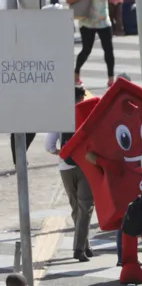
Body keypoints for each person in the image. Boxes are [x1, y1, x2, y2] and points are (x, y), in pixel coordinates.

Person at [46, 86, 95, 262]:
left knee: (77, 208)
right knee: (86, 206)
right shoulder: (88, 115)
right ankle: (79, 248)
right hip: (85, 166)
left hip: (65, 167)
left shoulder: (59, 116)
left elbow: (49, 146)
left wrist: (63, 153)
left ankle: (85, 245)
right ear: (82, 97)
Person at [67, 0, 121, 87]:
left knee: (108, 49)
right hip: (88, 21)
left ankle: (111, 78)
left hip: (104, 21)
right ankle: (76, 73)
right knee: (86, 49)